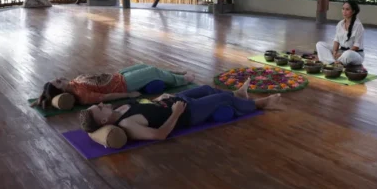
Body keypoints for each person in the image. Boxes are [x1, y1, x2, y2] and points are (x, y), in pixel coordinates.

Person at [79, 79, 281, 141]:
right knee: (222, 97)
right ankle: (259, 104)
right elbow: (159, 135)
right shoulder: (126, 123)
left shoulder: (119, 108)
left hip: (175, 101)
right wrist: (176, 113)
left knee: (207, 88)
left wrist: (160, 98)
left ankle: (239, 95)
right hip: (187, 113)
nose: (102, 104)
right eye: (99, 108)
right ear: (104, 121)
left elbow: (147, 106)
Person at [33, 64, 195, 110]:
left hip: (118, 75)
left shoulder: (74, 83)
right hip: (124, 85)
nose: (60, 78)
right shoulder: (82, 95)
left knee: (145, 66)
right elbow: (105, 98)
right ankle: (183, 80)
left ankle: (174, 73)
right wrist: (129, 95)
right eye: (58, 82)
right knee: (152, 71)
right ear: (61, 91)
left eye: (57, 79)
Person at [316, 0, 365, 67]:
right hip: (341, 51)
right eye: (343, 9)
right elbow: (336, 40)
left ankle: (333, 62)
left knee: (348, 54)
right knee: (320, 44)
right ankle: (332, 63)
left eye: (347, 9)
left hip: (355, 54)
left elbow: (356, 46)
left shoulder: (358, 25)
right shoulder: (340, 24)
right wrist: (334, 52)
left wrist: (341, 54)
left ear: (353, 11)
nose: (344, 11)